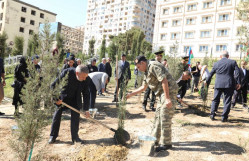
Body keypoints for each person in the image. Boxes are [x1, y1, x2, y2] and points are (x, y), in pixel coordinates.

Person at [126, 56, 178, 152]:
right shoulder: (146, 71)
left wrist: (167, 98)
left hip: (168, 91)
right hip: (161, 93)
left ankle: (166, 143)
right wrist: (130, 94)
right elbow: (144, 87)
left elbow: (164, 80)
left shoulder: (154, 66)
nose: (138, 69)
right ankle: (155, 140)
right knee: (158, 116)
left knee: (164, 116)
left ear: (143, 63)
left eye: (138, 67)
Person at [49, 65, 90, 144]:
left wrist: (86, 109)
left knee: (76, 117)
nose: (84, 79)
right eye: (83, 77)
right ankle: (53, 136)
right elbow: (53, 85)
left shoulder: (86, 78)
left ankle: (75, 138)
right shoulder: (67, 72)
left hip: (76, 99)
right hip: (63, 98)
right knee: (57, 115)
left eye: (86, 77)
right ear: (77, 73)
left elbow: (86, 94)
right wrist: (55, 99)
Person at [206, 51, 241, 122]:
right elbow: (237, 73)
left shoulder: (216, 63)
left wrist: (207, 82)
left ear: (220, 56)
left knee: (215, 99)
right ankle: (224, 117)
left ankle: (212, 115)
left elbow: (210, 74)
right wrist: (238, 83)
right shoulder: (233, 62)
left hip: (218, 84)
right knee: (227, 101)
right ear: (228, 56)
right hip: (229, 84)